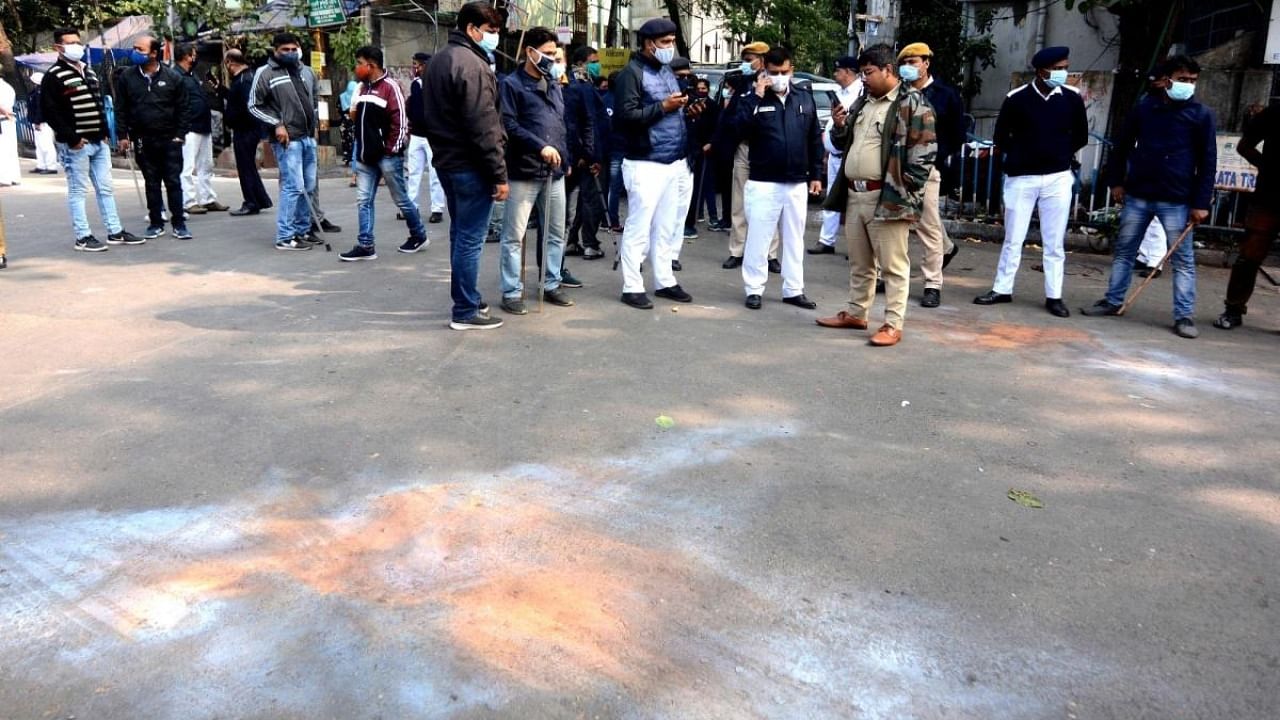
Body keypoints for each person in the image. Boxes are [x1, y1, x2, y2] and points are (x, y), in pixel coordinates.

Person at [1081, 55, 1216, 338]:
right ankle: (1112, 300)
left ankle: (1184, 316)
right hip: (1139, 194)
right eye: (1182, 79)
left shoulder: (1201, 115)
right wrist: (1116, 182)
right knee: (1125, 252)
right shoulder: (1144, 109)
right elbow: (1121, 147)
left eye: (1192, 81)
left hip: (1177, 199)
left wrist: (1201, 203)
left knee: (1183, 260)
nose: (1188, 85)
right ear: (1167, 80)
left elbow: (1207, 162)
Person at [815, 44, 936, 347]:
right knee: (860, 262)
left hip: (886, 197)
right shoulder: (863, 102)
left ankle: (893, 324)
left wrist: (905, 191)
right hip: (855, 195)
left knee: (894, 266)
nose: (864, 79)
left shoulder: (912, 103)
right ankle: (857, 313)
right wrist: (840, 126)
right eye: (862, 73)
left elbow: (924, 153)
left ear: (887, 70)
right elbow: (844, 144)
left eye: (868, 73)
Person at [974, 46, 1087, 317]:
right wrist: (1026, 152)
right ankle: (1002, 289)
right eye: (1058, 68)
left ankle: (1054, 295)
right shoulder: (1016, 98)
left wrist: (1057, 152)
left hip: (1058, 177)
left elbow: (1080, 136)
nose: (1063, 73)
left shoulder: (1071, 98)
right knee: (1013, 237)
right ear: (1041, 70)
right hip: (1021, 177)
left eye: (1064, 67)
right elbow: (1002, 137)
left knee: (1054, 241)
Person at [422, 1, 508, 330]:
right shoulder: (472, 64)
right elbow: (484, 125)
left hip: (448, 161)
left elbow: (426, 116)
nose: (494, 38)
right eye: (491, 31)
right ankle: (465, 309)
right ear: (472, 29)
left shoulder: (439, 61)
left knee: (461, 235)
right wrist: (498, 174)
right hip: (470, 165)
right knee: (470, 238)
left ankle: (467, 297)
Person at [613, 17, 699, 309]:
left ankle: (664, 281)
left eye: (672, 41)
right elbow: (625, 117)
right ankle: (632, 285)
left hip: (673, 160)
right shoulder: (631, 73)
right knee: (640, 225)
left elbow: (669, 108)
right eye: (665, 42)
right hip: (644, 162)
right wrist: (664, 107)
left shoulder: (665, 70)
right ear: (649, 44)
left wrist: (683, 107)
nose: (670, 47)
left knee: (665, 227)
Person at [40, 28, 143, 253]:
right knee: (78, 191)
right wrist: (72, 138)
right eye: (70, 43)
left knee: (106, 188)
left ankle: (115, 231)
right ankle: (83, 236)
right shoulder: (54, 76)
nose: (77, 46)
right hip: (76, 144)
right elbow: (50, 112)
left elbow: (99, 105)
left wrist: (106, 133)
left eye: (78, 42)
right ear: (58, 47)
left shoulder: (89, 72)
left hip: (98, 141)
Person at [495, 27, 576, 314]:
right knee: (514, 236)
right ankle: (511, 291)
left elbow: (560, 124)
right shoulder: (511, 84)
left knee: (555, 232)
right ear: (530, 52)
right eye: (549, 54)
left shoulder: (553, 83)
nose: (553, 59)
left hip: (554, 172)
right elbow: (510, 126)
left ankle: (551, 283)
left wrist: (565, 159)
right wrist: (540, 146)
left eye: (556, 54)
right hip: (523, 171)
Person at [737, 48, 823, 310]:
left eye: (784, 72)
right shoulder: (753, 99)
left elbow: (813, 138)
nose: (780, 77)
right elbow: (737, 128)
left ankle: (793, 289)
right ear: (764, 72)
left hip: (796, 181)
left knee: (795, 238)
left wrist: (816, 174)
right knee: (759, 238)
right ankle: (754, 288)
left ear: (792, 70)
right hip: (764, 181)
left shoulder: (804, 98)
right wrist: (756, 96)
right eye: (774, 73)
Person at [337, 46, 429, 261]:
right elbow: (356, 118)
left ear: (372, 65)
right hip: (365, 156)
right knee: (363, 200)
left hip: (386, 156)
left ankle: (418, 235)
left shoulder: (390, 87)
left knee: (401, 200)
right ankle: (366, 245)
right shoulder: (362, 88)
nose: (357, 67)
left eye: (359, 63)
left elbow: (401, 121)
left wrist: (390, 150)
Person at [897, 42, 962, 308]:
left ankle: (932, 284)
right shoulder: (898, 93)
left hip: (927, 169)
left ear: (926, 63)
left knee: (928, 225)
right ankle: (886, 275)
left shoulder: (945, 95)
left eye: (914, 62)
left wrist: (932, 156)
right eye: (906, 63)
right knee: (895, 221)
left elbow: (956, 134)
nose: (909, 67)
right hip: (897, 167)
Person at [116, 33, 192, 240]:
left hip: (169, 139)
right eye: (135, 48)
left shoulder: (173, 78)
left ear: (153, 53)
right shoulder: (127, 78)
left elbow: (184, 108)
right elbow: (120, 108)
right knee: (151, 182)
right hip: (142, 138)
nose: (135, 52)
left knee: (173, 181)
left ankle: (179, 223)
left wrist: (180, 135)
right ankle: (156, 222)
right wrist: (123, 135)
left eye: (140, 49)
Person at [250, 31, 321, 251]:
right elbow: (254, 105)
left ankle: (302, 230)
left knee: (308, 187)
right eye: (285, 50)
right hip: (287, 140)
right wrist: (277, 124)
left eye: (293, 49)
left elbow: (314, 101)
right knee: (293, 187)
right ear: (275, 51)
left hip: (307, 138)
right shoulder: (266, 73)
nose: (290, 53)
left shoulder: (306, 72)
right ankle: (285, 236)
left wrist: (315, 126)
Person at [714, 41, 780, 271]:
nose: (745, 64)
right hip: (744, 147)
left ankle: (770, 255)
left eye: (749, 58)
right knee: (739, 202)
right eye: (744, 59)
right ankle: (737, 250)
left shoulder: (776, 83)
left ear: (762, 60)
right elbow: (733, 117)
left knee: (770, 203)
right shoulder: (742, 84)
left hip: (769, 149)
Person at [1215, 103, 1280, 330]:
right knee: (1249, 256)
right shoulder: (1275, 111)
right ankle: (1233, 308)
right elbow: (1244, 146)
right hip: (1268, 198)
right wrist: (1269, 168)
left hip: (1267, 196)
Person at [811, 55, 863, 256]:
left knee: (853, 202)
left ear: (848, 72)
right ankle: (826, 240)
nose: (835, 74)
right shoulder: (841, 92)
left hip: (850, 155)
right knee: (831, 199)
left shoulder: (861, 92)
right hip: (834, 155)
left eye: (838, 71)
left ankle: (857, 246)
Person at [175, 43, 228, 216]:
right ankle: (189, 201)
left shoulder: (192, 75)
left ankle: (208, 198)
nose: (195, 57)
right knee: (188, 166)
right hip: (190, 127)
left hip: (203, 126)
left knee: (207, 165)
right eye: (193, 54)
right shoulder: (176, 76)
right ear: (186, 56)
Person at [563, 45, 606, 261]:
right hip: (583, 154)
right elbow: (588, 123)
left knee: (576, 199)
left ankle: (571, 241)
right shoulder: (581, 86)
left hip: (572, 153)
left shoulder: (571, 84)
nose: (597, 65)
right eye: (593, 61)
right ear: (581, 63)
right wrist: (591, 156)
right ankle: (589, 243)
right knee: (591, 199)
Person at [224, 49, 272, 216]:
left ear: (230, 62)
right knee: (248, 166)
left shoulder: (245, 80)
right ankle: (260, 199)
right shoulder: (244, 78)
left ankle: (251, 201)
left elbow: (248, 106)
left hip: (246, 129)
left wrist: (235, 119)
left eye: (227, 63)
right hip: (246, 128)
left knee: (245, 166)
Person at [405, 52, 446, 224]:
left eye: (421, 65)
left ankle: (437, 209)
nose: (418, 68)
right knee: (413, 172)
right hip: (416, 135)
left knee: (435, 174)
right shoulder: (415, 84)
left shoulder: (438, 85)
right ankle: (411, 207)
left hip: (433, 136)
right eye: (416, 65)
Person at [683, 76, 721, 242]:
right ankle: (693, 217)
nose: (701, 91)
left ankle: (712, 216)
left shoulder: (712, 106)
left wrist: (710, 143)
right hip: (691, 148)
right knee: (692, 186)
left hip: (706, 149)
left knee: (707, 186)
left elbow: (718, 127)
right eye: (698, 88)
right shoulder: (688, 104)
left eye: (704, 89)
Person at [26, 73, 59, 175]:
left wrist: (38, 121)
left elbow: (41, 109)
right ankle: (41, 165)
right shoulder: (36, 92)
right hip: (38, 122)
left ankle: (51, 166)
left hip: (43, 122)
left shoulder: (42, 93)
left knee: (46, 145)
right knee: (39, 145)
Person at [0, 74, 20, 186]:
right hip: (9, 120)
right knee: (11, 150)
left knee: (2, 150)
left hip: (2, 120)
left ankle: (4, 178)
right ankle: (14, 177)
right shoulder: (8, 87)